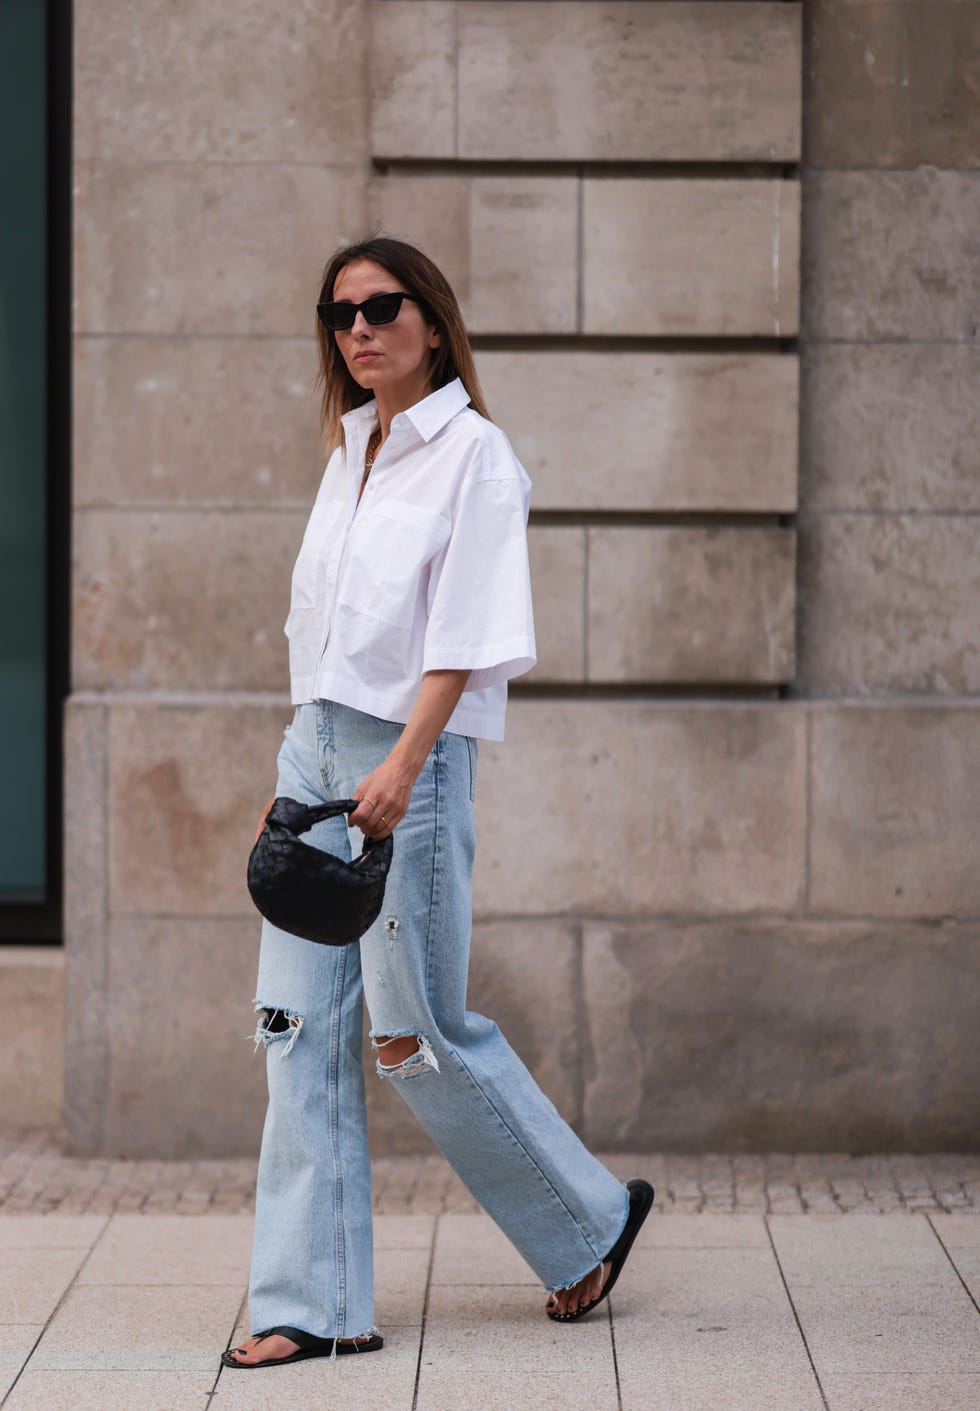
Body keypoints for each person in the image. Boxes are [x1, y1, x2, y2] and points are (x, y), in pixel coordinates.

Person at [221, 237, 653, 1370]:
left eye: (381, 306)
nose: (358, 329)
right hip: (314, 754)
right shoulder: (350, 449)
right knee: (294, 1030)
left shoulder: (473, 456)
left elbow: (465, 637)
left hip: (402, 761)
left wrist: (402, 769)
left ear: (431, 316)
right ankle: (307, 1304)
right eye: (338, 315)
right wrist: (296, 770)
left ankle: (584, 1225)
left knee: (413, 1035)